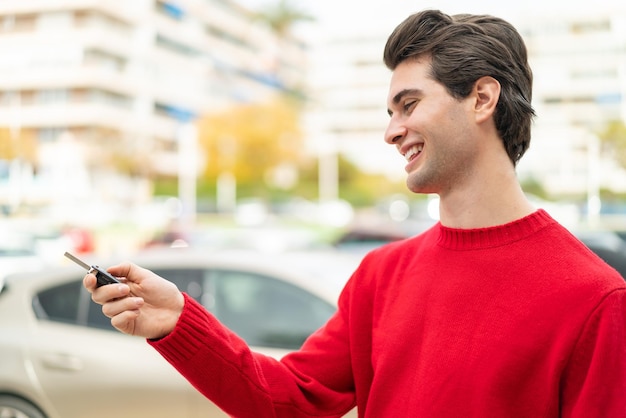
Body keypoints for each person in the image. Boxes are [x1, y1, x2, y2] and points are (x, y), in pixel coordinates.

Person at [84, 9, 626, 418]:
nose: (391, 131)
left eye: (409, 105)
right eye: (390, 112)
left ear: (482, 99)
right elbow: (289, 401)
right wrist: (179, 321)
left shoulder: (594, 299)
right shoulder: (380, 276)